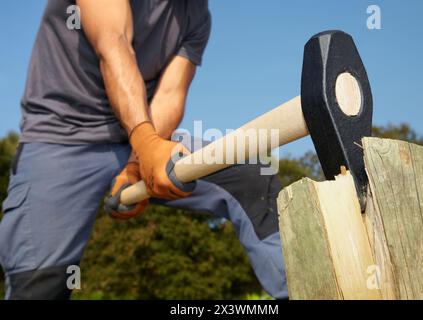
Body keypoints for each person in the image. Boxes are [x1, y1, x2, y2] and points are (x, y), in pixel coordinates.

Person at [0, 0, 287, 299]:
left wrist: (138, 162)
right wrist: (145, 141)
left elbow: (169, 94)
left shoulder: (196, 14)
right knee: (42, 283)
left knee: (251, 177)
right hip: (61, 139)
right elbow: (114, 44)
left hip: (136, 138)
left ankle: (302, 288)